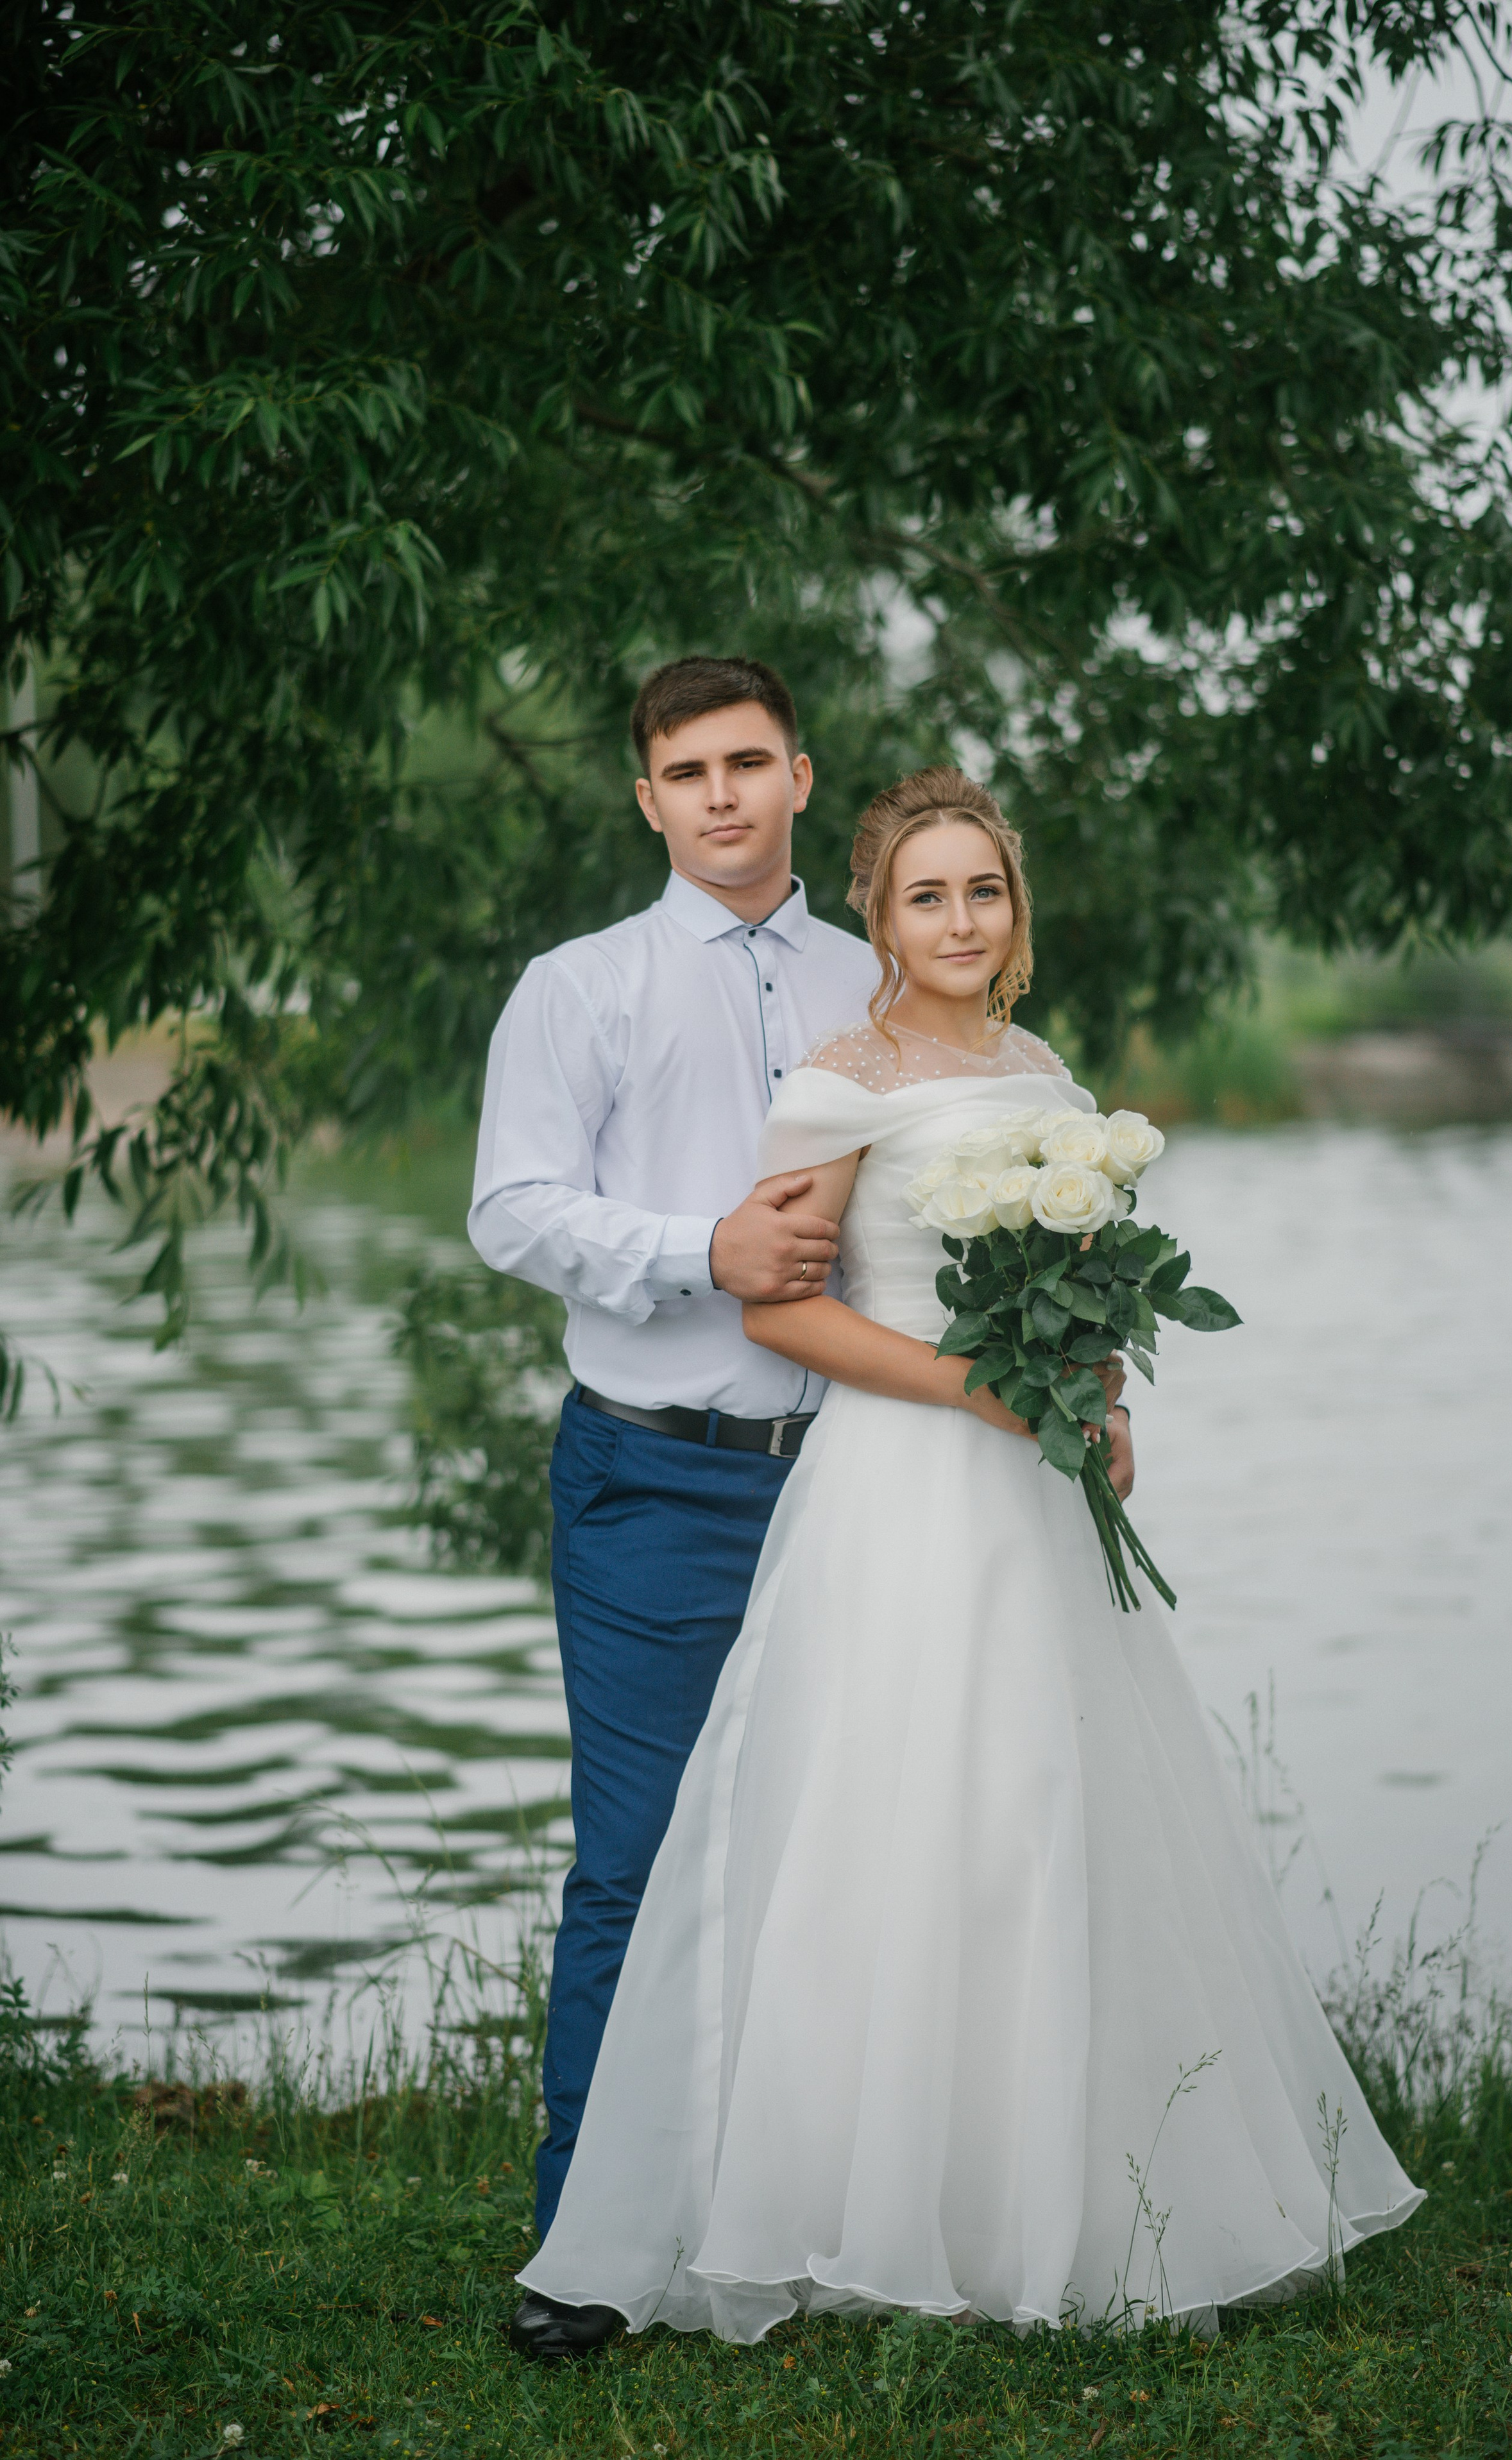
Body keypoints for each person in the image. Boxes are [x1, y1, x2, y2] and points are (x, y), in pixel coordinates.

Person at [513, 765, 1421, 2350]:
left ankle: (1058, 2209)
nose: (957, 917)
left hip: (1037, 1497)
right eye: (924, 893)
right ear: (877, 913)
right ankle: (849, 2207)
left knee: (1055, 1811)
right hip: (900, 1492)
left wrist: (1101, 1395)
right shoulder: (835, 1080)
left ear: (1014, 908)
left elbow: (1072, 1286)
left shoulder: (1047, 1074)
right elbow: (781, 1305)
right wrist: (979, 1390)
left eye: (981, 890)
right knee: (899, 1829)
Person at [469, 655, 885, 2364]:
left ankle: (819, 2210)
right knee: (636, 1872)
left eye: (746, 762)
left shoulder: (883, 977)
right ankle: (589, 2241)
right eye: (683, 770)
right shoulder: (582, 987)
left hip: (865, 1483)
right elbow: (509, 1206)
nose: (717, 792)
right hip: (657, 1470)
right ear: (646, 798)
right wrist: (699, 1250)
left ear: (800, 775)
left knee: (845, 1861)